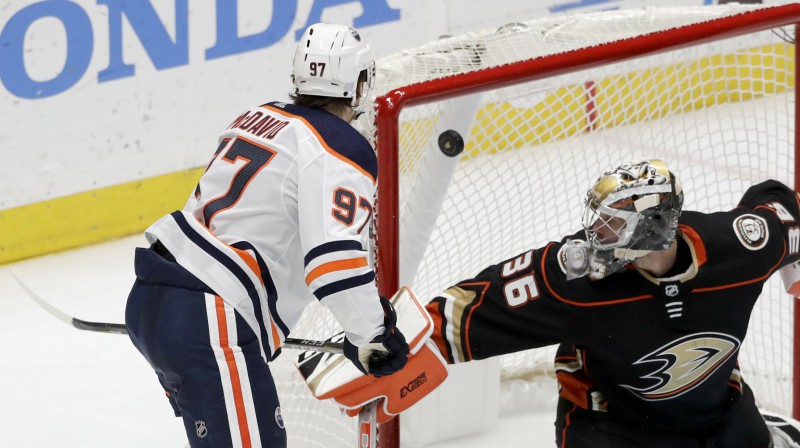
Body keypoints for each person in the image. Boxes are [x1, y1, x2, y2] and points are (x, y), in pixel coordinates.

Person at [124, 23, 409, 448]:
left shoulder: (258, 117)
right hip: (209, 317)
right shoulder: (340, 145)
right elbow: (333, 263)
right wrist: (372, 335)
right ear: (360, 83)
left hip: (154, 299)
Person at [424, 159, 800, 447]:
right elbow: (488, 303)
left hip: (717, 416)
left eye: (612, 225)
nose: (596, 234)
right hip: (611, 426)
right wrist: (415, 336)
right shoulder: (578, 276)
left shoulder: (740, 250)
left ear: (653, 226)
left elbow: (780, 204)